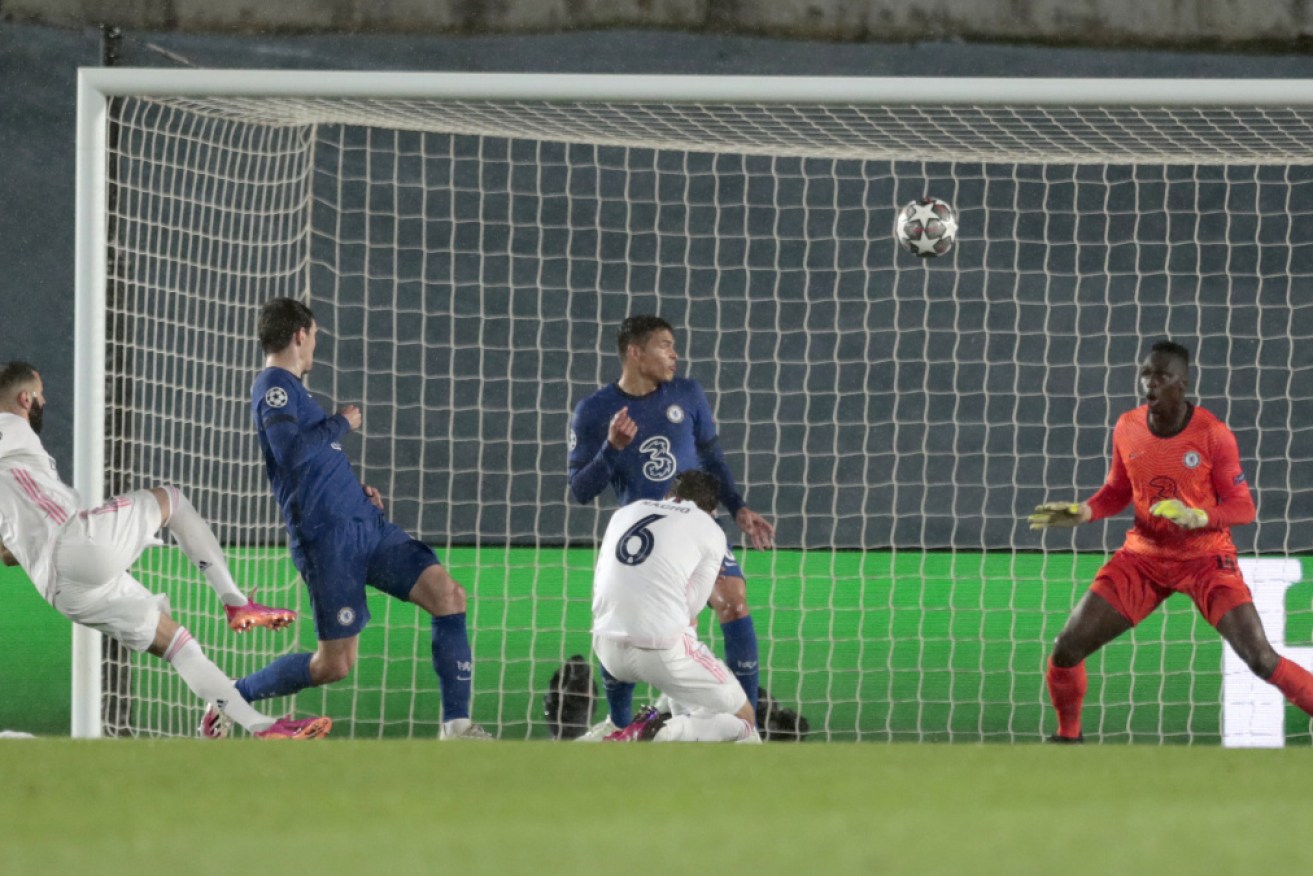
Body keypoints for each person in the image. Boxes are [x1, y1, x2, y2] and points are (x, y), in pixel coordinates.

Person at [207, 297, 489, 740]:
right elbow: (291, 453)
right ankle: (231, 695)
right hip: (328, 544)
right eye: (315, 335)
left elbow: (316, 465)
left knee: (449, 595)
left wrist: (356, 496)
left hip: (366, 528)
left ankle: (456, 726)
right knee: (333, 665)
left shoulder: (297, 392)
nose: (316, 345)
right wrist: (341, 422)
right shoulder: (273, 386)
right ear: (300, 334)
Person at [0, 361, 327, 739]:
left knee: (177, 643)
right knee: (171, 499)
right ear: (25, 398)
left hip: (58, 589)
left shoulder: (15, 464)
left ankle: (262, 727)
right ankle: (236, 601)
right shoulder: (9, 426)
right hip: (75, 542)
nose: (43, 401)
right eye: (39, 395)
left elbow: (8, 553)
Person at [1029, 339, 1313, 742]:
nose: (1149, 382)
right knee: (1066, 648)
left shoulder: (1213, 435)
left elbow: (1243, 507)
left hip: (1205, 559)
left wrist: (1199, 516)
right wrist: (1085, 511)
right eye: (1146, 373)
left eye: (1161, 375)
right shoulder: (1127, 426)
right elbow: (1116, 490)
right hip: (1143, 559)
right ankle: (1067, 738)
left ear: (1182, 384)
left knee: (1261, 659)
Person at [568, 315, 775, 738]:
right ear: (635, 352)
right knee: (669, 627)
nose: (674, 354)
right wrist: (612, 448)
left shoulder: (688, 394)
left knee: (733, 599)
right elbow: (579, 489)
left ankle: (747, 722)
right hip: (643, 537)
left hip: (697, 526)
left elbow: (713, 458)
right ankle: (632, 723)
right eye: (664, 345)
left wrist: (737, 506)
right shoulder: (593, 412)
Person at [592, 470, 760, 743]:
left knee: (686, 681)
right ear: (712, 510)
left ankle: (653, 729)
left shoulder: (625, 512)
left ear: (669, 496)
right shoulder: (709, 529)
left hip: (606, 650)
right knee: (744, 720)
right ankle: (661, 730)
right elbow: (691, 608)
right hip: (660, 650)